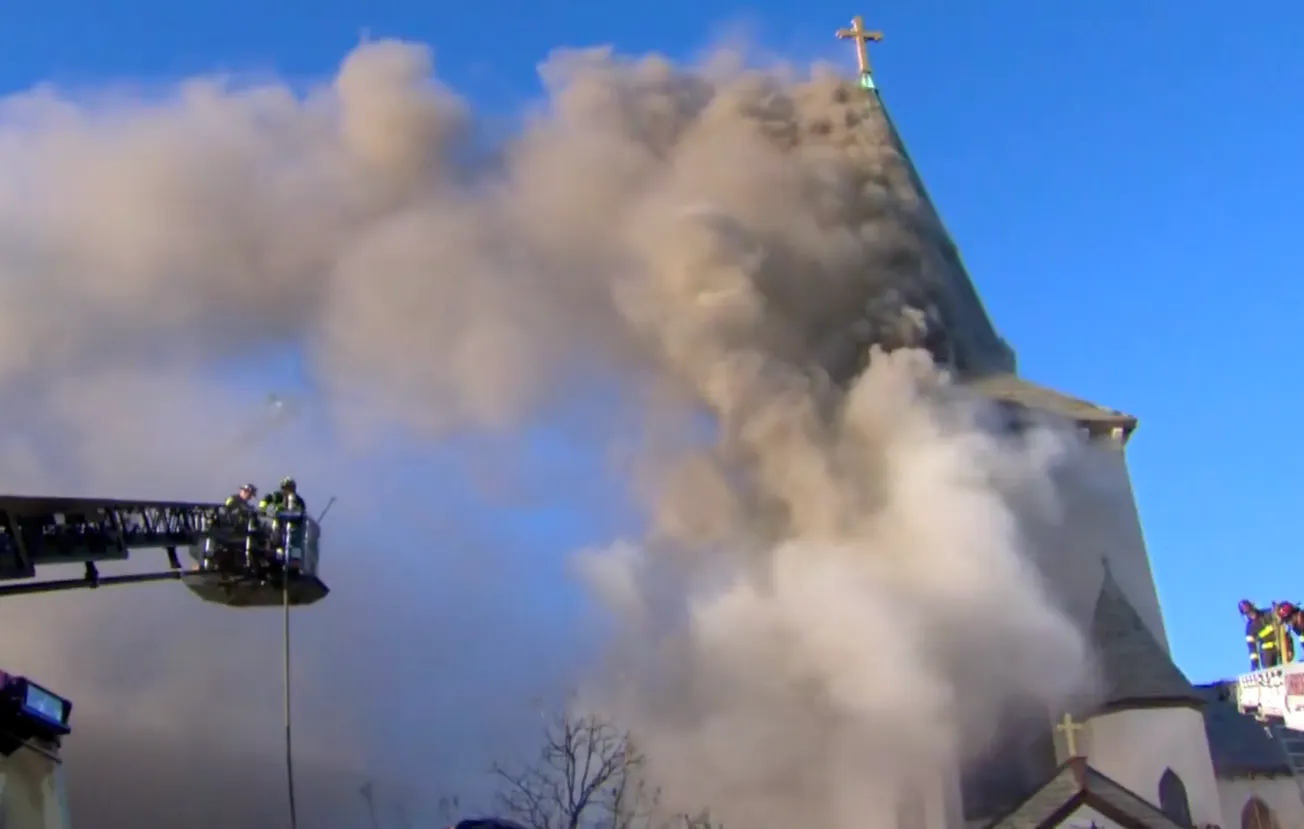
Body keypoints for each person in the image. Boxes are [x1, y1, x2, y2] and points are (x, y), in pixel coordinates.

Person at [1242, 599, 1290, 669]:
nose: (1250, 614)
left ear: (1253, 607)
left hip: (1281, 646)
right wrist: (1254, 664)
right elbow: (1252, 648)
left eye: (1250, 611)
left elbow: (1284, 630)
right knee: (1271, 673)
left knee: (1287, 670)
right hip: (1267, 654)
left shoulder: (1268, 614)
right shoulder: (1249, 628)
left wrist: (1289, 648)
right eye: (1247, 613)